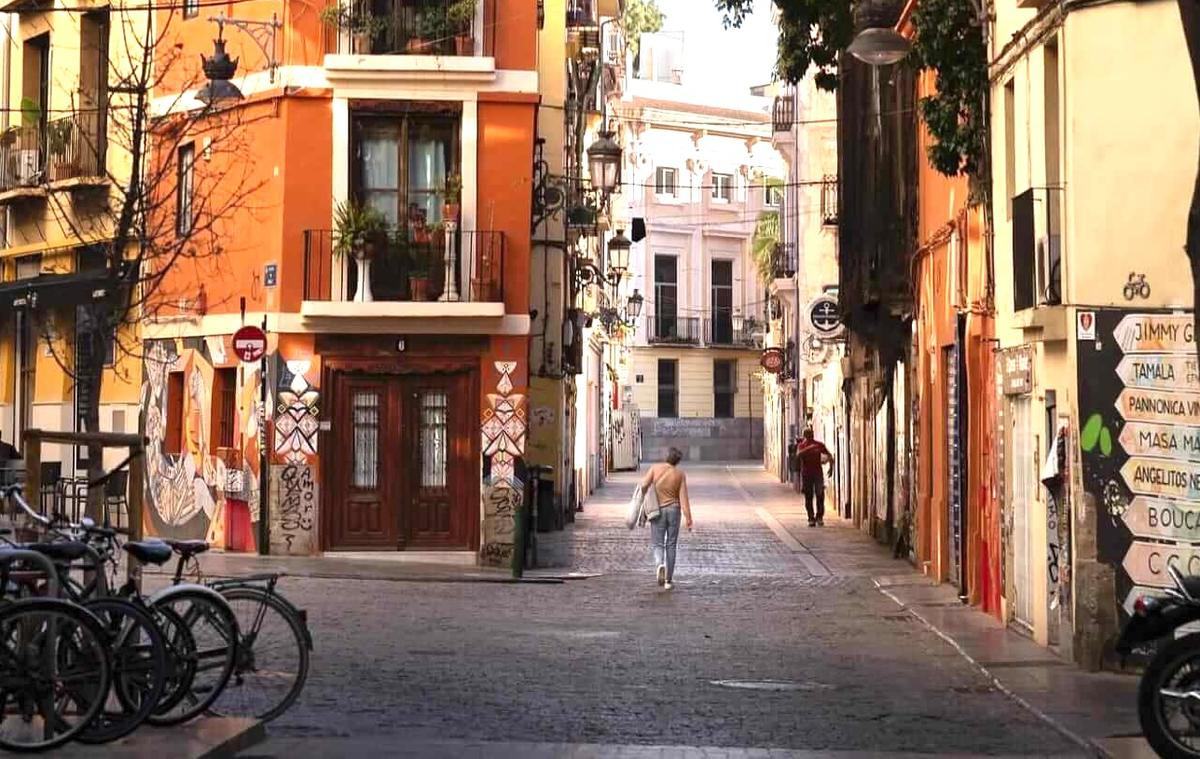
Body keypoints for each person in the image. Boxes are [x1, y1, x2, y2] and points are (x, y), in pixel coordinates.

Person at [640, 447, 693, 590]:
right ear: (677, 461)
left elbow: (644, 485)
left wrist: (645, 496)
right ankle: (669, 580)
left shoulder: (655, 468)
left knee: (658, 543)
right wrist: (688, 518)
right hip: (674, 510)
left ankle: (659, 566)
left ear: (666, 457)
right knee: (671, 544)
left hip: (657, 510)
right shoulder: (680, 474)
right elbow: (683, 498)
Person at [794, 427, 833, 527]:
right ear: (805, 436)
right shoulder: (802, 445)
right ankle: (811, 518)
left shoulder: (818, 445)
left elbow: (829, 455)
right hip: (806, 474)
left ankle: (819, 517)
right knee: (809, 496)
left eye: (810, 434)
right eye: (808, 435)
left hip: (817, 474)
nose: (810, 436)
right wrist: (809, 448)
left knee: (820, 495)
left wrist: (830, 467)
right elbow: (798, 455)